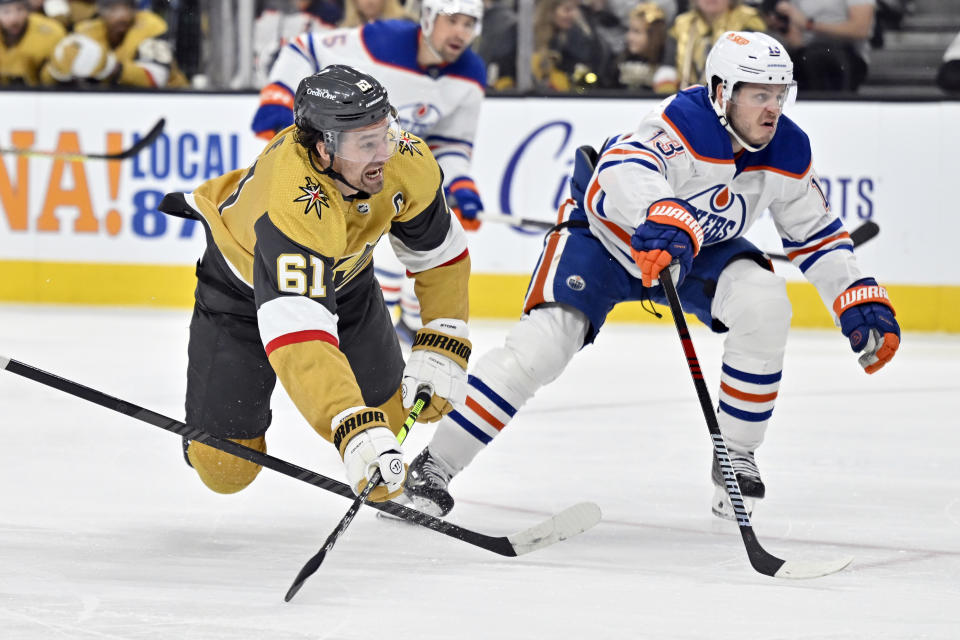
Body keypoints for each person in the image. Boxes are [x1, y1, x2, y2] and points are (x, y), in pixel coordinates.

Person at [403, 31, 901, 520]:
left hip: (694, 251)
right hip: (603, 241)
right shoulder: (683, 120)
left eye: (779, 95)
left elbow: (816, 232)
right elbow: (623, 164)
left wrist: (853, 293)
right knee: (541, 348)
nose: (772, 109)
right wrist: (659, 211)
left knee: (764, 302)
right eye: (759, 95)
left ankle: (736, 457)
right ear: (722, 92)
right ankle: (434, 466)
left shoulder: (788, 150)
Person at [157, 65, 472, 502]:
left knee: (393, 417)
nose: (385, 151)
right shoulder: (290, 197)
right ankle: (207, 435)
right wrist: (347, 423)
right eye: (367, 144)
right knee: (225, 468)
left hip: (347, 283)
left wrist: (443, 333)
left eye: (387, 131)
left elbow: (438, 252)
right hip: (238, 294)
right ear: (325, 149)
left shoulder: (406, 160)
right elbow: (303, 334)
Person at [252, 0, 486, 345]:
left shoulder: (471, 74)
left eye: (469, 24)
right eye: (453, 20)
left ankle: (381, 328)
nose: (460, 33)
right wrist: (278, 96)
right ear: (427, 18)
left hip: (387, 167)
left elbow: (450, 143)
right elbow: (304, 48)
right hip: (335, 165)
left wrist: (461, 185)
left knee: (406, 242)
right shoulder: (381, 40)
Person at [46, 0, 188, 87]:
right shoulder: (86, 30)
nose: (122, 16)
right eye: (113, 9)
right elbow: (51, 77)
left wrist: (110, 67)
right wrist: (59, 71)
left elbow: (156, 78)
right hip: (114, 106)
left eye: (127, 7)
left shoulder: (151, 25)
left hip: (171, 100)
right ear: (101, 12)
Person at [767, 0, 875, 92]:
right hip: (803, 52)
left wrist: (809, 25)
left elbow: (861, 29)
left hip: (845, 52)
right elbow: (795, 33)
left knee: (819, 57)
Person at [665, 0, 766, 89]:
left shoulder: (748, 21)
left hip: (732, 95)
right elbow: (668, 66)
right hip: (687, 94)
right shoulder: (682, 24)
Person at [613, 1, 676, 93]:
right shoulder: (620, 61)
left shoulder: (668, 65)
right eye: (629, 30)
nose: (629, 37)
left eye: (636, 32)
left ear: (654, 36)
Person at [0, 0, 64, 86]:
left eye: (20, 9)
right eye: (6, 11)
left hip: (39, 92)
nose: (14, 18)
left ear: (28, 10)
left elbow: (58, 74)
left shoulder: (51, 31)